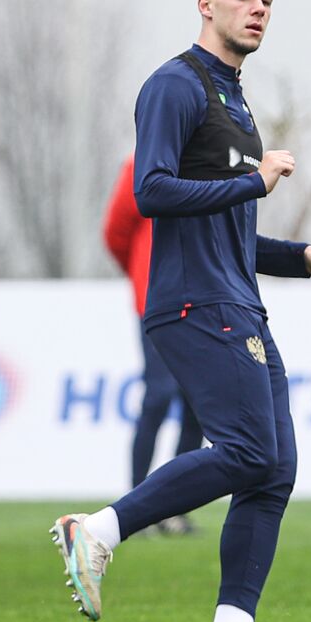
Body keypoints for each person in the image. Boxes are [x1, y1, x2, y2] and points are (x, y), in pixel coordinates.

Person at [51, 0, 311, 622]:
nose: (259, 8)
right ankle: (98, 529)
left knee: (273, 468)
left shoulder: (236, 100)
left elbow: (231, 232)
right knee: (247, 451)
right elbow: (151, 191)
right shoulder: (175, 86)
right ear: (205, 4)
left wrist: (295, 255)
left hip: (237, 300)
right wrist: (256, 183)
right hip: (191, 303)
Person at [103, 153, 204, 534]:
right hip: (157, 303)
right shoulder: (139, 164)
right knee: (158, 396)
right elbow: (115, 232)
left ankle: (172, 507)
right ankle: (136, 506)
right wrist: (142, 274)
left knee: (197, 406)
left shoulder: (207, 155)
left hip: (202, 302)